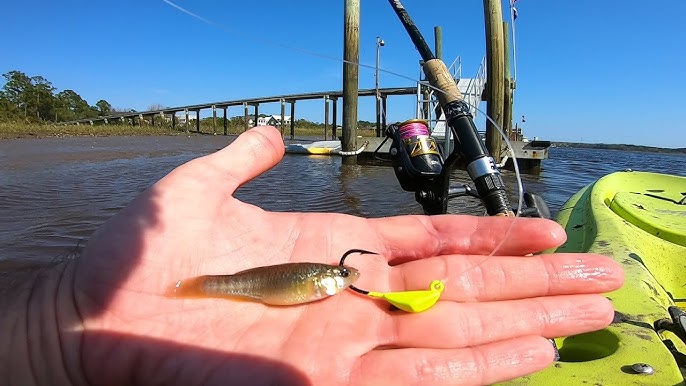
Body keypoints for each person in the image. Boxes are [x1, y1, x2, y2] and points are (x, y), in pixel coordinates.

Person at [0, 126, 624, 385]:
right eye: (338, 275)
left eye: (339, 277)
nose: (341, 279)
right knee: (227, 282)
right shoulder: (323, 280)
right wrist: (56, 320)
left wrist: (47, 327)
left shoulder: (327, 280)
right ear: (329, 279)